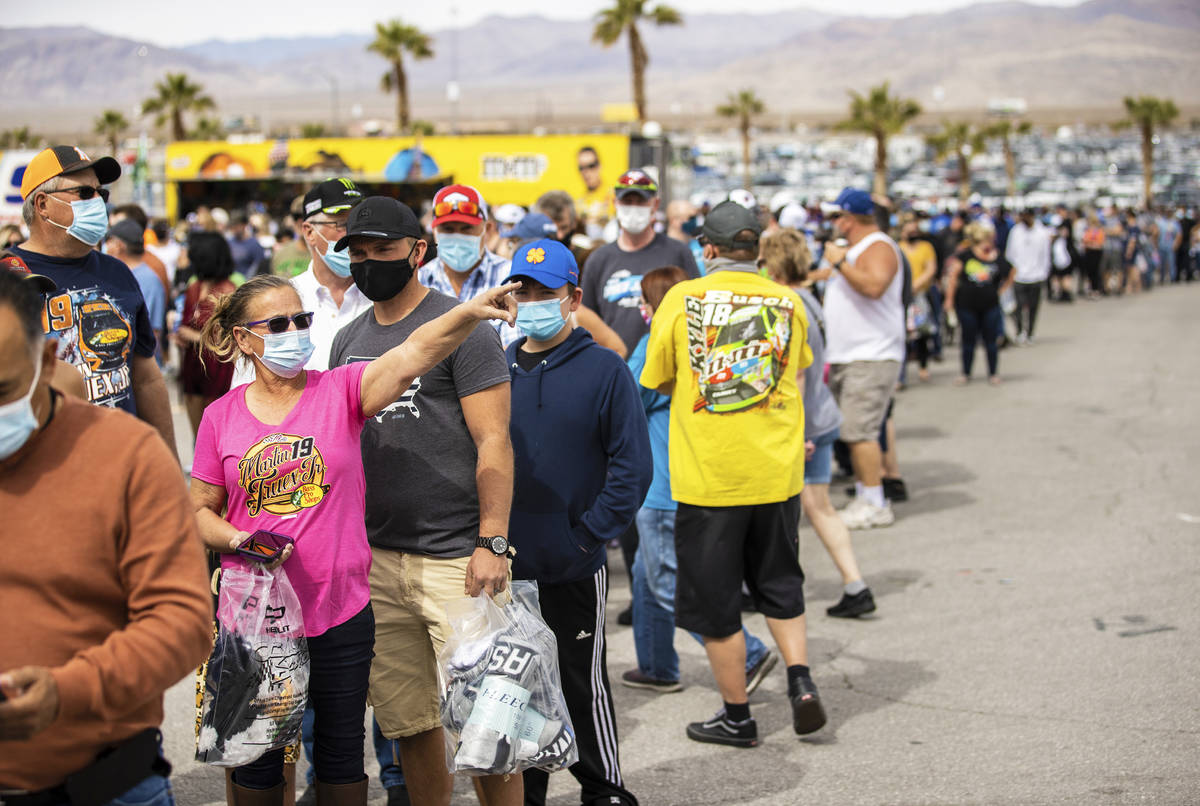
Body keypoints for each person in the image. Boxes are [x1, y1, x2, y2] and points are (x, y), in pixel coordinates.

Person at [190, 263, 517, 803]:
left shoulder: (340, 391)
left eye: (301, 319)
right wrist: (239, 541)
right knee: (258, 755)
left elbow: (411, 353)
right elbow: (200, 510)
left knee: (341, 749)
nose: (295, 332)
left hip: (341, 606)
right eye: (277, 325)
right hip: (258, 613)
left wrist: (466, 314)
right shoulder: (220, 417)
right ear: (245, 340)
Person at [326, 197, 522, 806]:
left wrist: (492, 541)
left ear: (417, 252)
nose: (367, 263)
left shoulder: (464, 327)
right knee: (409, 724)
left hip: (457, 562)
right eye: (356, 253)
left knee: (489, 728)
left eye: (381, 251)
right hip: (379, 562)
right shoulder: (347, 339)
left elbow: (494, 439)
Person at [0, 268, 213, 804]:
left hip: (106, 783)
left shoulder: (126, 457)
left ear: (46, 363)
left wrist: (68, 692)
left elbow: (184, 622)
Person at [641, 201, 826, 749]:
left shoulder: (682, 298)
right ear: (757, 250)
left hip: (710, 479)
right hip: (776, 474)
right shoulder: (788, 300)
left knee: (716, 602)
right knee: (780, 584)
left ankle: (738, 717)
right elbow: (793, 374)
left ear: (710, 249)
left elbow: (658, 377)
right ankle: (800, 679)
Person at [504, 239, 651, 804]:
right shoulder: (497, 366)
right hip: (508, 565)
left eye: (548, 291)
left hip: (574, 562)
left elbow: (632, 467)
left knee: (579, 681)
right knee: (516, 688)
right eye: (523, 290)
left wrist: (587, 535)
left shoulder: (605, 369)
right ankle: (528, 792)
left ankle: (604, 787)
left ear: (573, 298)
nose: (534, 300)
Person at [622, 265, 778, 693]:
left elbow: (629, 398)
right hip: (692, 477)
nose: (640, 309)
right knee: (645, 574)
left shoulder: (656, 342)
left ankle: (749, 653)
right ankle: (656, 664)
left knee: (666, 582)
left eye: (644, 301)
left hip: (664, 488)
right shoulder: (711, 345)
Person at [11, 145, 177, 457]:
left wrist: (167, 463)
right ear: (43, 204)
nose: (99, 202)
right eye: (85, 193)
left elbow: (146, 378)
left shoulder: (117, 272)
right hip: (41, 471)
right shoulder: (8, 278)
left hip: (121, 465)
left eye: (102, 193)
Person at [760, 230, 875, 618]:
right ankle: (854, 582)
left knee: (798, 509)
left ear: (772, 265)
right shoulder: (810, 299)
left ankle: (783, 589)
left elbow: (798, 377)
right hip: (821, 415)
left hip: (806, 422)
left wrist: (799, 433)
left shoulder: (789, 304)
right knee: (819, 507)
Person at [230, 178, 373, 388]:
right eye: (342, 224)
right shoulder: (280, 302)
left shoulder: (384, 296)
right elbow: (246, 391)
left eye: (360, 223)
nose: (353, 234)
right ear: (309, 232)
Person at [818, 188, 906, 530]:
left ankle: (874, 501)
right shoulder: (859, 249)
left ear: (849, 219)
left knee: (860, 432)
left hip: (870, 354)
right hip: (852, 354)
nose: (832, 224)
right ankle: (865, 493)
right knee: (852, 431)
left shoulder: (879, 246)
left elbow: (874, 286)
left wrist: (840, 262)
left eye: (835, 217)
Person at [581, 170, 700, 355]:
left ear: (655, 204)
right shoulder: (599, 259)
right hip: (614, 367)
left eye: (641, 202)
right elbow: (586, 319)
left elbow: (695, 310)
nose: (634, 208)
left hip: (666, 366)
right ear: (615, 203)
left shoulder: (678, 253)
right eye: (627, 202)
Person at [419, 183, 521, 347]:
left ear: (487, 229)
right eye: (448, 229)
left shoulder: (510, 277)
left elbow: (513, 348)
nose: (457, 236)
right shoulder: (419, 280)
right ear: (435, 231)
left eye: (466, 229)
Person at [174, 232, 238, 436]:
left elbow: (223, 338)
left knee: (216, 429)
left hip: (218, 367)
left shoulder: (228, 291)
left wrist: (192, 336)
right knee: (197, 430)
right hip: (193, 365)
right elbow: (184, 325)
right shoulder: (195, 287)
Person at [944, 222, 1013, 385]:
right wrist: (949, 300)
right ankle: (966, 373)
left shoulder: (997, 256)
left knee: (991, 341)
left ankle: (993, 373)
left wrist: (1001, 290)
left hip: (990, 305)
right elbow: (953, 278)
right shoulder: (965, 255)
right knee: (968, 340)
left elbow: (1011, 272)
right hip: (967, 305)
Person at [105, 218, 167, 361]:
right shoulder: (118, 274)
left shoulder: (149, 280)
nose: (106, 246)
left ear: (119, 245)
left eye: (109, 241)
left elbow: (152, 333)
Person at [898, 218, 938, 382]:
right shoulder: (898, 247)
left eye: (915, 230)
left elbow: (931, 268)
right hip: (902, 296)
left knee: (922, 332)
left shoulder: (926, 247)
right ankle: (901, 375)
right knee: (902, 335)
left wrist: (915, 285)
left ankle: (923, 366)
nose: (912, 234)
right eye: (909, 231)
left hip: (920, 294)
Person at [1005, 209, 1052, 344]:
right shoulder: (1016, 231)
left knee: (1033, 307)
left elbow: (1045, 255)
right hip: (1019, 276)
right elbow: (1010, 253)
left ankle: (1030, 332)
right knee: (1018, 306)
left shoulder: (1041, 232)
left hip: (1036, 276)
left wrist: (1044, 272)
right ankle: (1020, 331)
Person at [575, 145, 612, 241]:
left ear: (599, 166)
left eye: (591, 166)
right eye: (581, 168)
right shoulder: (579, 200)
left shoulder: (612, 195)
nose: (586, 172)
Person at [227, 210, 267, 278]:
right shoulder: (229, 242)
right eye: (232, 225)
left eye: (236, 225)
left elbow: (259, 269)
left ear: (244, 225)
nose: (234, 228)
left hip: (247, 284)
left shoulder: (254, 245)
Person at [1080, 212, 1106, 299]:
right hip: (1089, 253)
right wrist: (1090, 244)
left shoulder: (1099, 231)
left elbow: (1099, 244)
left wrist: (1090, 244)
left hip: (1096, 253)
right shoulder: (1087, 230)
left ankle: (1096, 290)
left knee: (1096, 272)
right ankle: (1091, 289)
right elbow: (1084, 241)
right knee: (1089, 272)